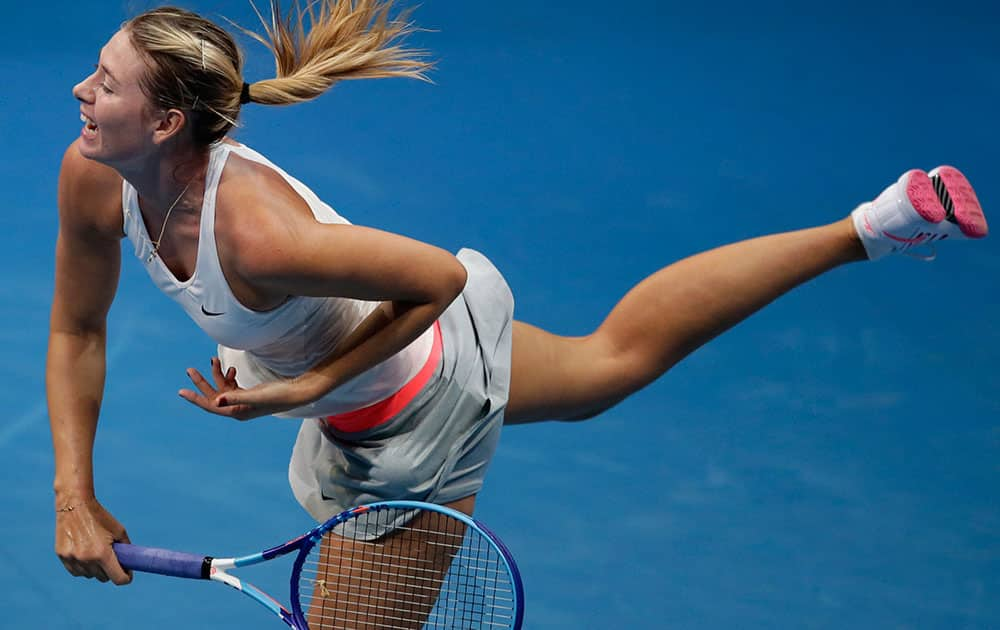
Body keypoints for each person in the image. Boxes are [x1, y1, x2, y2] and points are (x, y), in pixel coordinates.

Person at [48, 0, 987, 610]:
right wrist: (74, 497)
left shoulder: (261, 235)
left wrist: (302, 391)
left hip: (404, 415)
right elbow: (75, 327)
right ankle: (880, 223)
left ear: (167, 123)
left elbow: (440, 279)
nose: (83, 92)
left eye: (106, 82)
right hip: (356, 365)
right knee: (607, 365)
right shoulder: (96, 178)